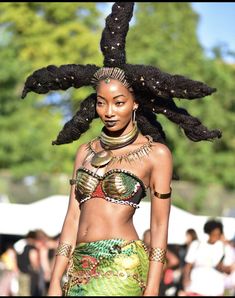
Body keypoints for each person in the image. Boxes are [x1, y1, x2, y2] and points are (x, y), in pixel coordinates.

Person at [21, 2, 221, 296]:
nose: (109, 111)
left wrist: (152, 290)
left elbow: (160, 226)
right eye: (101, 102)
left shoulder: (156, 155)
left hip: (122, 265)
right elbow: (72, 219)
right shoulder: (85, 152)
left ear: (135, 102)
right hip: (80, 267)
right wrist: (54, 282)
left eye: (119, 102)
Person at [182, 219, 234, 296]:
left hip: (215, 291)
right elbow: (188, 266)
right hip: (196, 289)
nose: (215, 237)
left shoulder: (225, 248)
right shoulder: (196, 245)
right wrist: (186, 280)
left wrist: (221, 267)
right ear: (208, 232)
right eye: (213, 234)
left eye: (218, 234)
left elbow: (230, 270)